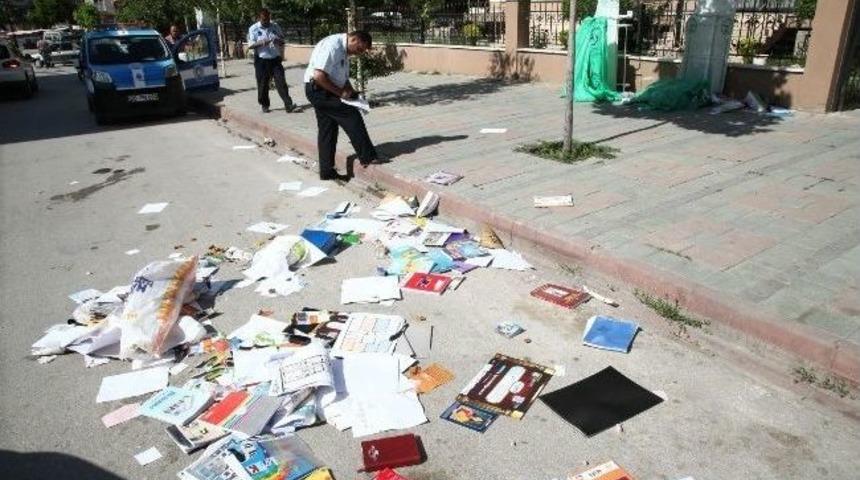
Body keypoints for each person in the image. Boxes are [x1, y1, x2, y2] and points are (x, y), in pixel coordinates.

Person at [304, 31, 385, 181]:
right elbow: (319, 76)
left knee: (328, 130)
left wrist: (352, 93)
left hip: (323, 89)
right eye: (360, 49)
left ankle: (326, 171)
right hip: (319, 89)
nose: (359, 54)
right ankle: (368, 157)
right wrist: (341, 94)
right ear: (354, 39)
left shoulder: (343, 50)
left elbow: (341, 78)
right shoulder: (332, 46)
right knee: (351, 116)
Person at [247, 8, 294, 113]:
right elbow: (250, 45)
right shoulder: (253, 29)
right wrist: (262, 42)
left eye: (268, 19)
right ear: (259, 18)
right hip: (261, 60)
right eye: (264, 20)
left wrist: (278, 40)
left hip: (275, 59)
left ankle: (288, 104)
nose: (267, 22)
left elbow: (283, 41)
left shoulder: (275, 26)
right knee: (263, 84)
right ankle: (264, 104)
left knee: (281, 82)